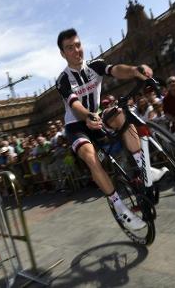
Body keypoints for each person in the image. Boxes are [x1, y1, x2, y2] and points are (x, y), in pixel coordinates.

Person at [55, 28, 167, 231]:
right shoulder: (63, 80)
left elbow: (115, 69)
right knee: (90, 157)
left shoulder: (94, 66)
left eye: (78, 45)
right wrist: (87, 116)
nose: (76, 50)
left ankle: (144, 169)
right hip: (77, 125)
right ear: (63, 54)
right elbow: (74, 104)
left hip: (96, 117)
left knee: (119, 113)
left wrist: (134, 71)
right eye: (70, 48)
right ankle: (119, 207)